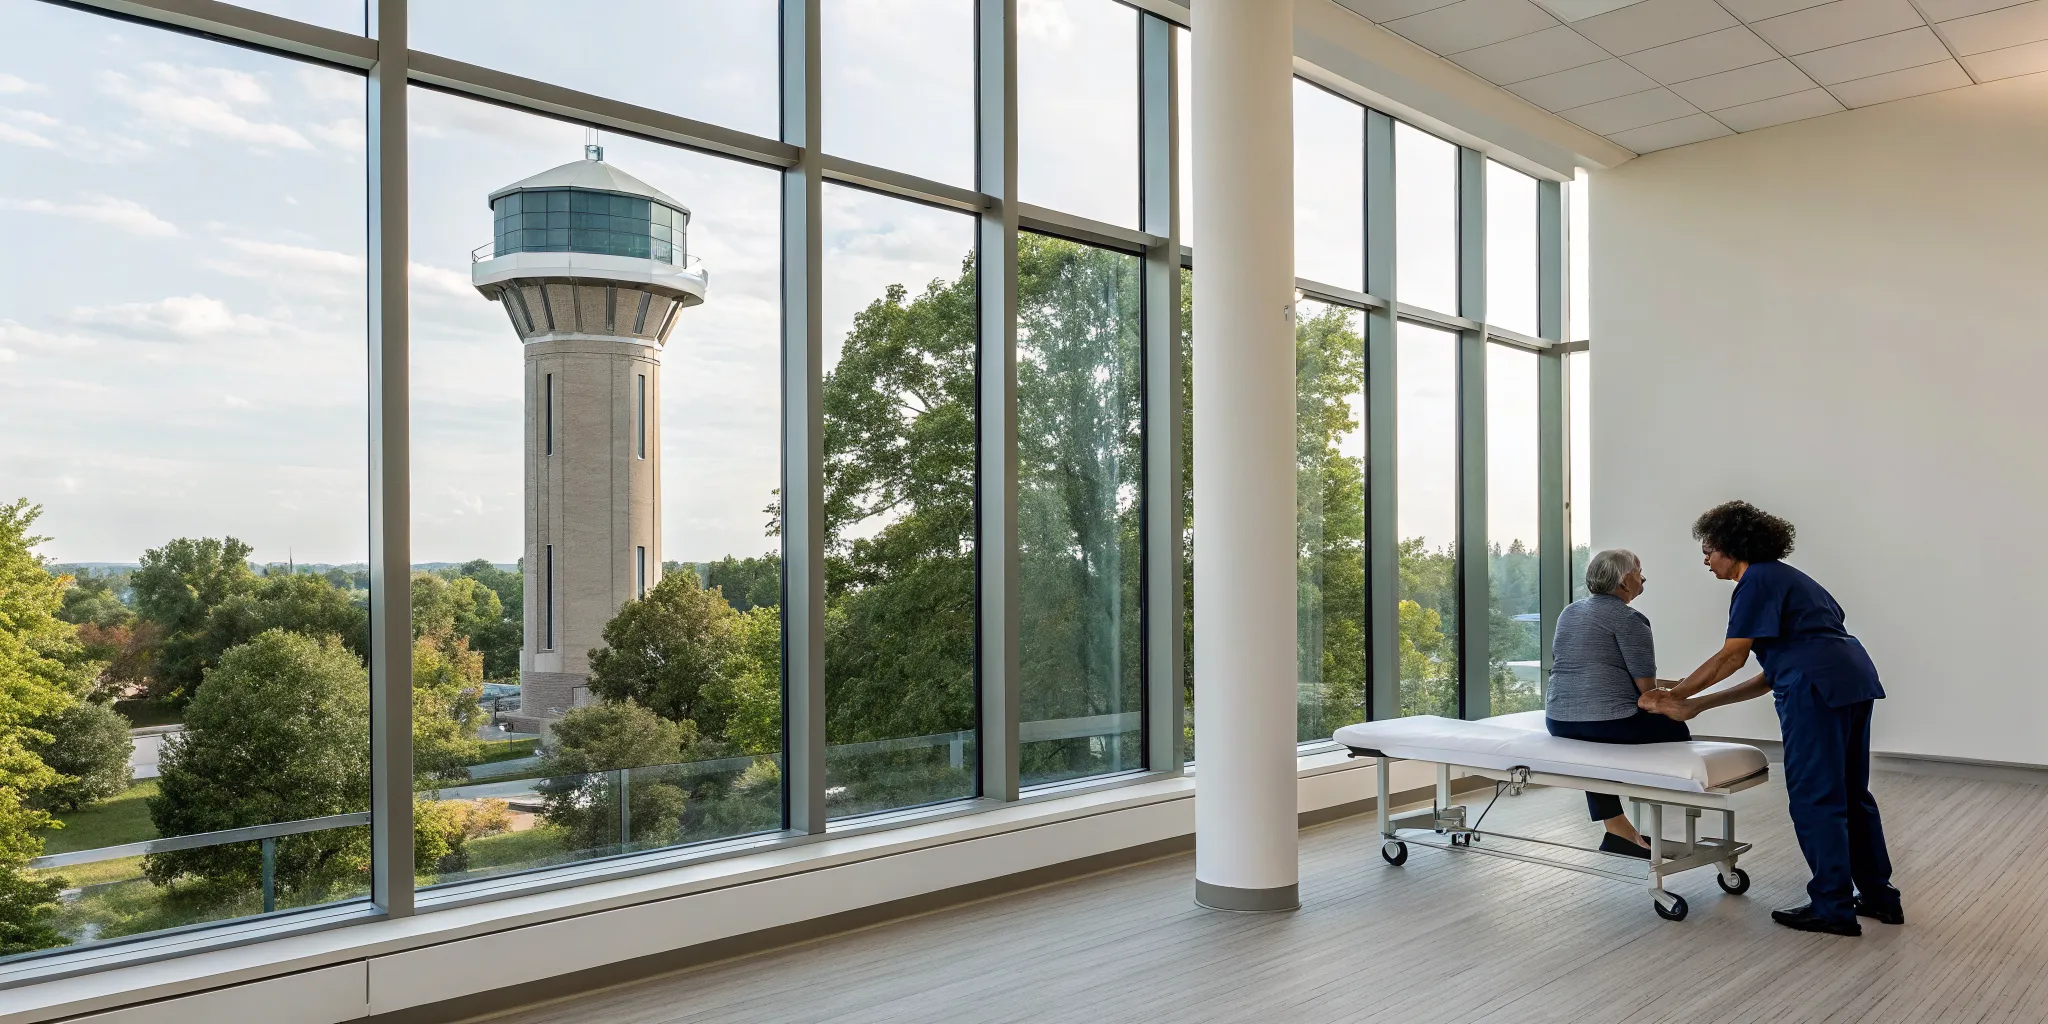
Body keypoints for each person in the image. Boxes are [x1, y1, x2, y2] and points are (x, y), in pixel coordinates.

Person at [1640, 500, 1902, 937]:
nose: (1705, 559)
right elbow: (1770, 674)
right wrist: (1696, 705)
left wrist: (1674, 693)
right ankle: (1879, 897)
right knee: (1852, 794)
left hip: (1817, 690)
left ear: (1732, 546)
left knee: (1815, 798)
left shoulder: (1756, 580)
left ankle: (1832, 908)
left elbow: (1732, 656)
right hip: (1851, 680)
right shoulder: (1791, 579)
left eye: (1708, 549)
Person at [1545, 548, 1688, 859]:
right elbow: (1647, 694)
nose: (1643, 577)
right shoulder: (1630, 619)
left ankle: (1618, 829)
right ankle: (1674, 803)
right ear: (1624, 581)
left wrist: (1673, 684)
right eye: (1639, 571)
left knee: (1594, 749)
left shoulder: (1569, 612)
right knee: (1675, 725)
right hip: (1609, 723)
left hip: (1559, 720)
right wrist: (1678, 691)